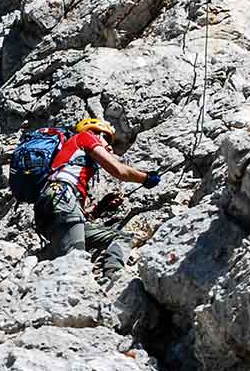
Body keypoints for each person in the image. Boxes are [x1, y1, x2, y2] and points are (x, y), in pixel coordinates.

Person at [34, 117, 161, 282]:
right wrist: (146, 178)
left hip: (49, 208)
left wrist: (100, 208)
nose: (109, 146)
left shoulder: (72, 159)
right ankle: (113, 280)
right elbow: (119, 170)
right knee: (76, 263)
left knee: (121, 238)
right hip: (62, 198)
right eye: (106, 138)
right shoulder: (85, 137)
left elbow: (70, 212)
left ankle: (112, 277)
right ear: (94, 132)